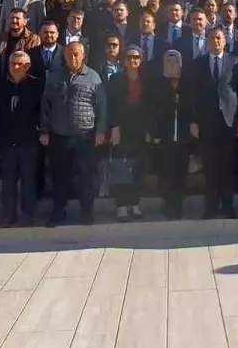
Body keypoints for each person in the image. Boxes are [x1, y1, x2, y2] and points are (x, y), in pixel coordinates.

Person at [40, 41, 108, 226]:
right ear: (64, 55)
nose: (73, 57)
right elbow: (45, 106)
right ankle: (58, 211)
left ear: (83, 55)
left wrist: (101, 130)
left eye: (77, 53)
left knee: (86, 176)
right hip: (59, 135)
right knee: (59, 176)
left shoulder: (93, 77)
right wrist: (44, 130)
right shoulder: (55, 77)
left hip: (84, 136)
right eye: (69, 53)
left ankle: (87, 212)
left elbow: (102, 106)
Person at [189, 26, 238, 218]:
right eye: (212, 38)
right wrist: (194, 121)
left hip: (228, 121)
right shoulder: (198, 64)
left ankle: (228, 205)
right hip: (206, 122)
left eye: (219, 38)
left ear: (225, 41)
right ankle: (210, 206)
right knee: (210, 167)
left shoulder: (234, 62)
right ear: (207, 41)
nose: (215, 41)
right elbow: (192, 95)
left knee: (227, 166)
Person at [0, 49, 44, 226]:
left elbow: (42, 111)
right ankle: (8, 215)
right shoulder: (0, 85)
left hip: (29, 139)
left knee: (29, 179)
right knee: (8, 180)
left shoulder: (37, 86)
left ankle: (28, 214)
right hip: (6, 139)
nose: (15, 67)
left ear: (27, 66)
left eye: (19, 64)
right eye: (12, 63)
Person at [105, 44, 151, 221]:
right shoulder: (116, 79)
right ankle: (121, 205)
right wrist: (115, 127)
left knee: (138, 168)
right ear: (124, 61)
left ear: (141, 60)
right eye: (130, 57)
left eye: (136, 57)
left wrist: (149, 129)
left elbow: (151, 105)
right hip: (121, 129)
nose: (133, 60)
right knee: (121, 168)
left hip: (140, 129)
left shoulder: (146, 80)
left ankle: (135, 203)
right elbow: (111, 104)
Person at [151, 49, 193, 218]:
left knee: (181, 172)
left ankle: (178, 204)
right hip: (165, 137)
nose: (171, 65)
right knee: (166, 172)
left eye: (174, 62)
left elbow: (192, 108)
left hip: (183, 137)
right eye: (168, 62)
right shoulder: (158, 86)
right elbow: (154, 111)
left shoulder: (187, 85)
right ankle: (168, 203)